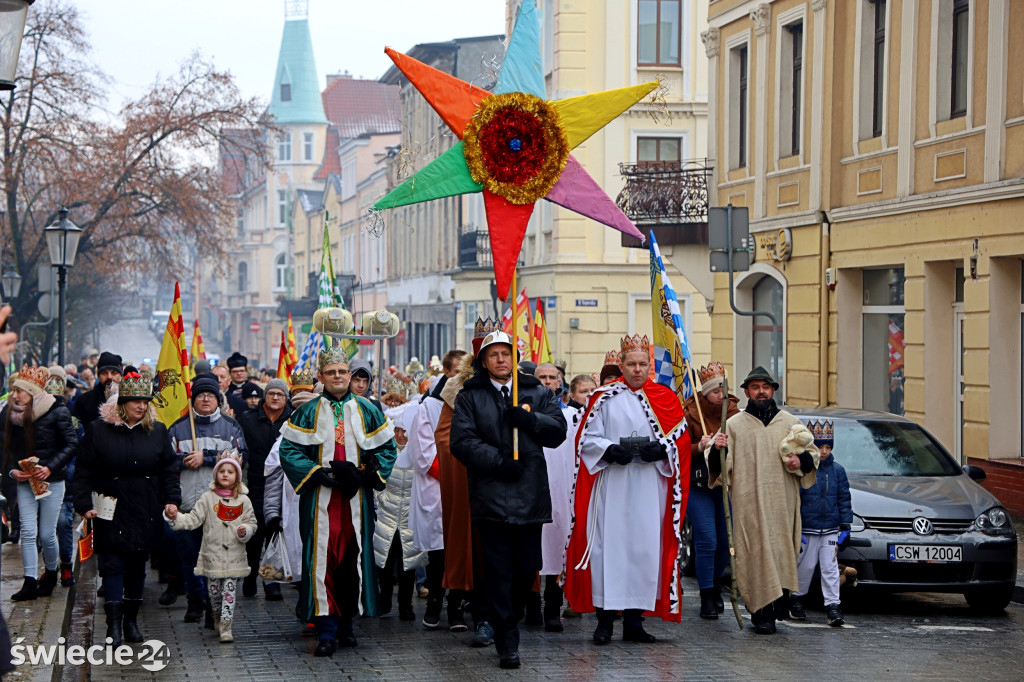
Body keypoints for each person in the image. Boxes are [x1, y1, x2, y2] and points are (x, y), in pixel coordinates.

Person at [450, 330, 567, 670]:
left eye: (506, 353)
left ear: (514, 358)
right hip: (492, 497)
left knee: (526, 569)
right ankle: (507, 639)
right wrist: (498, 462)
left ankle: (510, 618)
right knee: (499, 571)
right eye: (493, 354)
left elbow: (557, 431)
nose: (501, 360)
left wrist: (531, 419)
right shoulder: (471, 396)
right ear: (483, 361)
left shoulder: (537, 391)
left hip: (530, 496)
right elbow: (462, 441)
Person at [564, 335, 690, 644]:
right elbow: (586, 439)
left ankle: (635, 622)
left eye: (642, 364)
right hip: (613, 486)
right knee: (610, 551)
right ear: (621, 365)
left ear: (650, 366)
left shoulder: (665, 398)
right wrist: (607, 450)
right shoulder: (603, 397)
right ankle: (605, 622)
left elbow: (681, 441)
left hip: (650, 487)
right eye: (631, 364)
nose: (637, 370)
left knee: (644, 552)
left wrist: (663, 451)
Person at [278, 346, 398, 658]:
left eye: (342, 372)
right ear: (321, 376)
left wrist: (369, 476)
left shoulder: (368, 409)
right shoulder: (306, 412)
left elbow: (387, 448)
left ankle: (347, 624)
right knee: (323, 562)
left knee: (353, 560)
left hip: (356, 501)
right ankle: (327, 630)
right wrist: (316, 474)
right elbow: (289, 450)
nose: (338, 377)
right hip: (321, 499)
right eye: (331, 373)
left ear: (349, 374)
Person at [706, 366, 819, 634]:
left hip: (782, 503)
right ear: (746, 392)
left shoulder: (791, 423)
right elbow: (718, 466)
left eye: (765, 387)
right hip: (749, 504)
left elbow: (812, 456)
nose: (761, 392)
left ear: (773, 390)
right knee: (753, 553)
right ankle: (760, 611)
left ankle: (776, 609)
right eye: (755, 387)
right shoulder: (733, 425)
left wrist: (798, 460)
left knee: (780, 553)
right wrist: (717, 449)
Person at [74, 367, 181, 646]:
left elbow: (169, 468)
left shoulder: (157, 431)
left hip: (145, 505)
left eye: (145, 402)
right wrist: (83, 504)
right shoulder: (98, 430)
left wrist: (171, 500)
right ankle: (113, 626)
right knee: (111, 564)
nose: (141, 406)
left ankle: (131, 622)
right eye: (136, 402)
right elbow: (84, 469)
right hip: (109, 507)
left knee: (137, 565)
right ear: (122, 404)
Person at [168, 374, 248, 628]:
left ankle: (215, 609)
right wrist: (185, 460)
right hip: (189, 505)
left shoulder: (230, 426)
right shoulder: (179, 427)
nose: (205, 399)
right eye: (200, 395)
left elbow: (239, 458)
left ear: (218, 399)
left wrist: (208, 457)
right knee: (190, 558)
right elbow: (166, 461)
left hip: (219, 505)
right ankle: (195, 599)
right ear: (193, 399)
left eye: (210, 395)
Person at [1, 366, 78, 601]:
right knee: (27, 530)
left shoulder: (57, 410)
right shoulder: (11, 414)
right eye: (14, 391)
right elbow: (7, 451)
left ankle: (52, 572)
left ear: (33, 391)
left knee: (46, 533)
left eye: (20, 392)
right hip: (25, 482)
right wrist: (14, 471)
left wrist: (50, 467)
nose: (15, 396)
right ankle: (30, 581)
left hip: (51, 481)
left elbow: (71, 444)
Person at [165, 451, 257, 642]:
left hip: (234, 557)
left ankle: (226, 626)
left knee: (229, 593)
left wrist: (245, 530)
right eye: (221, 471)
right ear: (215, 475)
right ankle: (216, 616)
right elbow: (193, 519)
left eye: (230, 472)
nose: (225, 474)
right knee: (215, 594)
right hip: (212, 556)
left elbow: (251, 522)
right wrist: (175, 517)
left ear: (237, 476)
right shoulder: (207, 499)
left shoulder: (244, 500)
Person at [409, 351, 466, 631]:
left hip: (466, 486)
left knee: (461, 549)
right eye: (456, 371)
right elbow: (422, 451)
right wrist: (450, 475)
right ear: (446, 371)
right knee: (439, 551)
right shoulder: (429, 406)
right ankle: (434, 603)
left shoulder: (471, 402)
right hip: (438, 486)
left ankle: (456, 607)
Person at [682, 362, 740, 619]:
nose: (720, 395)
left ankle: (715, 585)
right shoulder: (690, 411)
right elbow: (679, 448)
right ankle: (706, 594)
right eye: (715, 391)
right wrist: (699, 446)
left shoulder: (735, 413)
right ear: (704, 393)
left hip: (724, 486)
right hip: (699, 485)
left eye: (723, 390)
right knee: (706, 538)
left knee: (724, 543)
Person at [790, 419, 851, 627]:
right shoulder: (804, 469)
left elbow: (844, 498)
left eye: (827, 447)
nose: (823, 451)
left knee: (830, 568)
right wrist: (795, 526)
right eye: (820, 446)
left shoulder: (838, 471)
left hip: (830, 529)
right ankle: (796, 599)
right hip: (808, 528)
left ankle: (833, 606)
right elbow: (795, 499)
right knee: (805, 567)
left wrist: (846, 525)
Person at [236, 378, 292, 600]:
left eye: (280, 394)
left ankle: (271, 581)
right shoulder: (248, 419)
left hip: (281, 486)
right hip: (255, 484)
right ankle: (250, 577)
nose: (275, 397)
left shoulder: (293, 419)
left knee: (274, 533)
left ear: (285, 397)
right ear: (265, 396)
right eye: (271, 393)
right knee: (254, 536)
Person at [534, 363, 578, 633]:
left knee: (556, 547)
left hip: (562, 491)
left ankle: (552, 606)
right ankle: (528, 606)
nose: (548, 381)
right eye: (543, 377)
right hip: (531, 488)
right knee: (530, 549)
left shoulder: (573, 416)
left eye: (553, 377)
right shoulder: (524, 412)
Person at [372, 402, 426, 621]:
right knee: (385, 560)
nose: (400, 435)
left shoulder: (419, 451)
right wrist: (382, 500)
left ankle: (405, 605)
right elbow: (376, 482)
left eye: (404, 430)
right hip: (387, 513)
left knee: (409, 563)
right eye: (397, 430)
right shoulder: (384, 453)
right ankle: (384, 600)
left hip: (410, 516)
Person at [45, 367, 79, 589]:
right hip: (43, 480)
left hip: (64, 480)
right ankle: (48, 567)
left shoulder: (73, 421)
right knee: (44, 530)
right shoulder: (37, 418)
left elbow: (75, 450)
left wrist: (69, 473)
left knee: (63, 523)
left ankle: (66, 565)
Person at [71, 352, 122, 426]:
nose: (109, 377)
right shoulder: (83, 401)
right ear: (98, 375)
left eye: (114, 373)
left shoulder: (128, 401)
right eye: (104, 373)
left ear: (121, 375)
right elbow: (74, 427)